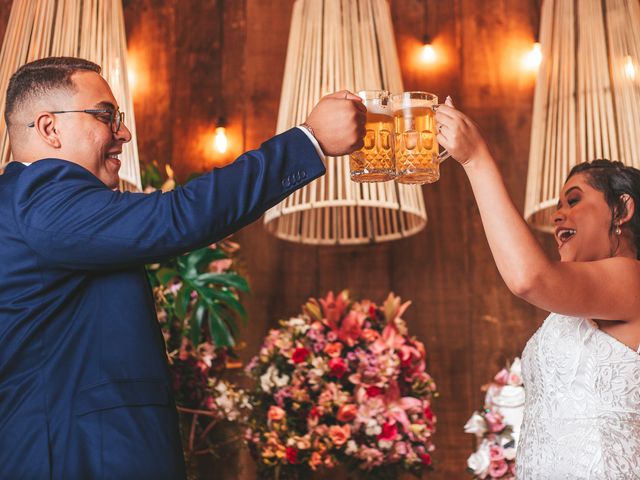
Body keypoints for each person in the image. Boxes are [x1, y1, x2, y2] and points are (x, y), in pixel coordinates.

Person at [0, 56, 365, 479]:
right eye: (106, 117)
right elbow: (178, 216)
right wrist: (310, 140)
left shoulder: (31, 206)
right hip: (77, 460)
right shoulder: (39, 197)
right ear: (49, 128)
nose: (124, 133)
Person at [436, 97, 640, 478]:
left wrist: (476, 158)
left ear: (622, 210)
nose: (557, 214)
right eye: (559, 204)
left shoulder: (634, 278)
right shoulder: (583, 297)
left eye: (575, 200)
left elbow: (529, 277)